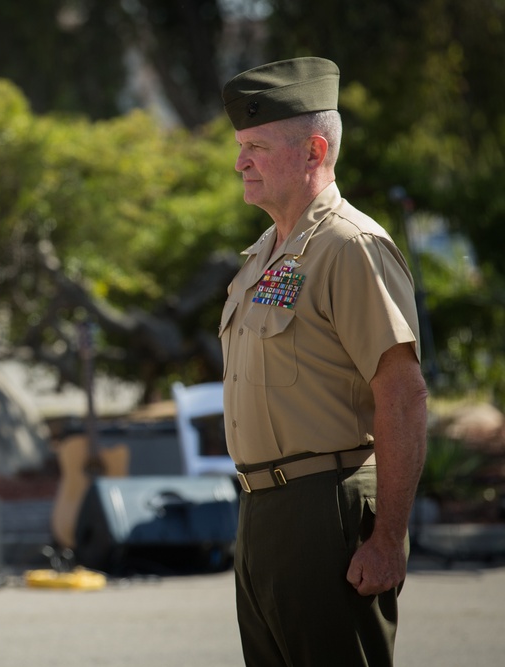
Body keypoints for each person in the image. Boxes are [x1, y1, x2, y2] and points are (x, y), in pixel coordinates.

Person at [219, 57, 428, 666]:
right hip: (263, 511)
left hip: (325, 508)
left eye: (255, 145)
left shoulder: (349, 245)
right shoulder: (266, 253)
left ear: (313, 151)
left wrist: (387, 539)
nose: (240, 162)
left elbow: (402, 393)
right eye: (239, 147)